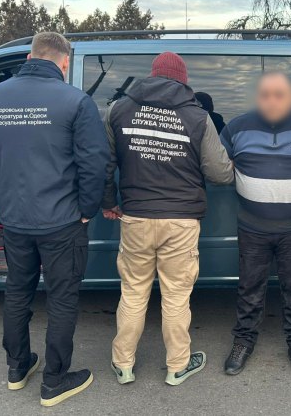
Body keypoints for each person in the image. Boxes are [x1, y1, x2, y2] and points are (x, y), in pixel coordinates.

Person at [0, 32, 109, 407]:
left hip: (15, 220)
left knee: (17, 291)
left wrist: (1, 199)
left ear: (30, 57)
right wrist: (86, 210)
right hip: (63, 222)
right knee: (62, 299)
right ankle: (54, 381)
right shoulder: (76, 101)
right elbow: (95, 163)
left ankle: (17, 368)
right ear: (65, 62)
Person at [102, 52, 234, 386]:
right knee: (176, 296)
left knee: (133, 293)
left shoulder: (119, 109)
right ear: (183, 81)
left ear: (153, 75)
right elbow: (219, 173)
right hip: (181, 221)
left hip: (136, 215)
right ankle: (178, 366)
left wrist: (109, 202)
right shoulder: (198, 116)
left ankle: (123, 364)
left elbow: (104, 164)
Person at [220, 72, 291, 380]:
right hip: (252, 227)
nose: (272, 101)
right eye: (265, 94)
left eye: (279, 94)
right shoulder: (236, 127)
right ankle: (243, 342)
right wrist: (226, 167)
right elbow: (217, 165)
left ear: (290, 96)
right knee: (249, 288)